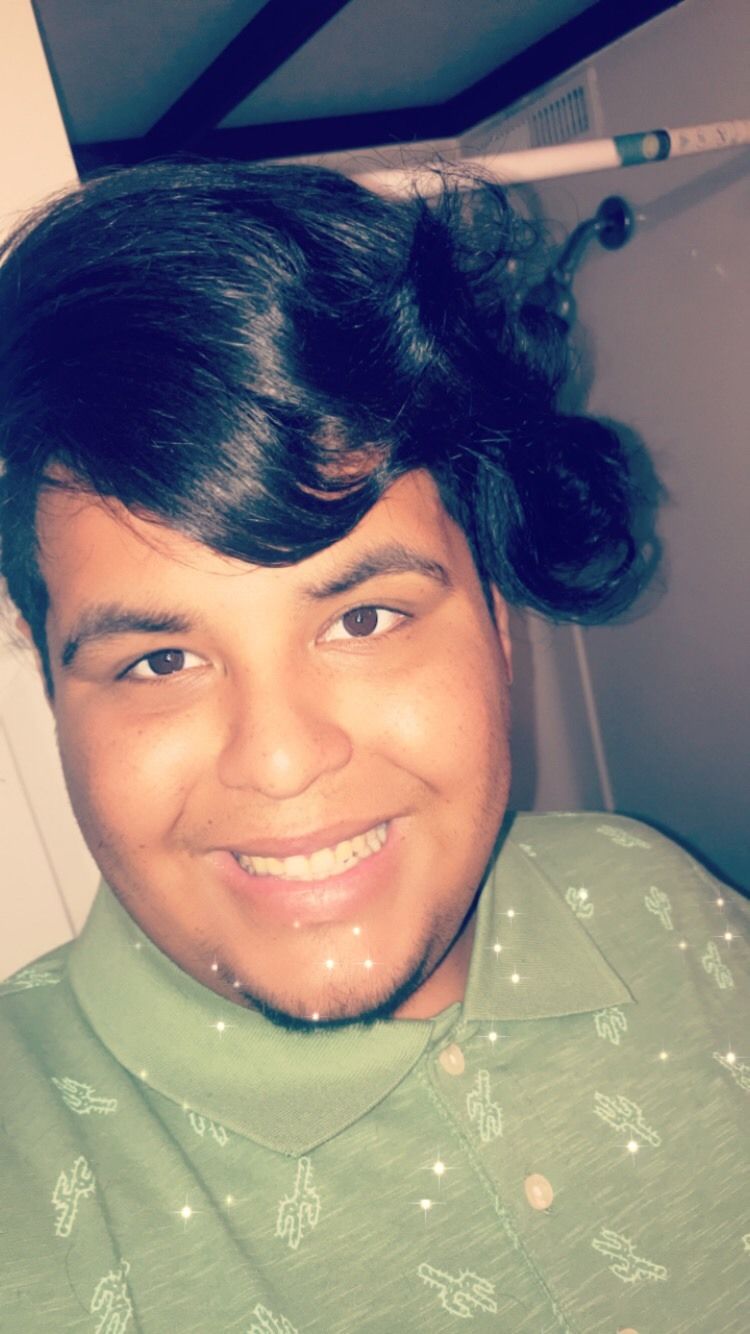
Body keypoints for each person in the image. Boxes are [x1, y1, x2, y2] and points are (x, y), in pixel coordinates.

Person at [0, 160, 746, 1334]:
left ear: (499, 624)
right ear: (54, 693)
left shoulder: (654, 893)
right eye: (162, 658)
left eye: (362, 619)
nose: (281, 758)